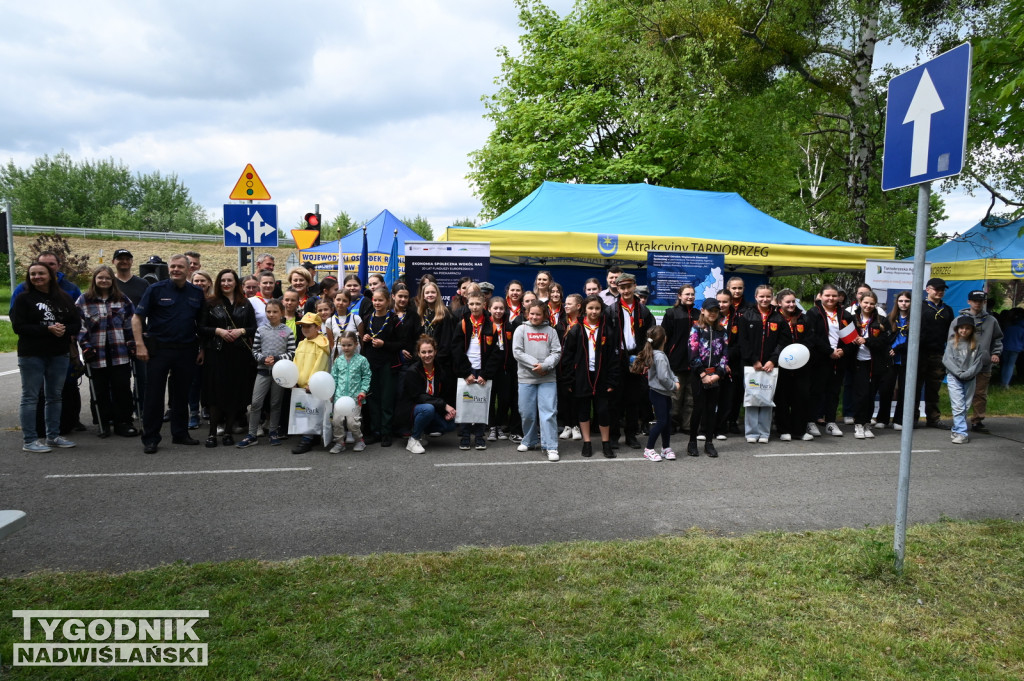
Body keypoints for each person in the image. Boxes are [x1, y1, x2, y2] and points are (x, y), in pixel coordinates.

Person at [132, 254, 206, 454]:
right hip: (159, 350)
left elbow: (202, 325)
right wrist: (140, 344)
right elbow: (137, 318)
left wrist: (202, 349)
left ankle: (180, 434)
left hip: (186, 350)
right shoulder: (155, 289)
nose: (175, 270)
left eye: (180, 267)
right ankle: (151, 438)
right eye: (173, 266)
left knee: (181, 395)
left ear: (189, 269)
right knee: (154, 395)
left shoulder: (196, 293)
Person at [11, 261, 81, 452]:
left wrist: (63, 329)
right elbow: (19, 326)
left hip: (58, 354)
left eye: (41, 273)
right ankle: (30, 440)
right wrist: (47, 329)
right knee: (30, 397)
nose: (37, 277)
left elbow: (76, 323)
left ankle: (53, 436)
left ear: (50, 275)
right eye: (33, 274)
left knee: (55, 396)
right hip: (32, 354)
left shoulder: (64, 298)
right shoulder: (23, 299)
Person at [76, 265, 138, 438]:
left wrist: (132, 343)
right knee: (100, 390)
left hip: (120, 352)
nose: (104, 281)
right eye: (100, 278)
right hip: (97, 353)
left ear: (113, 281)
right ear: (94, 280)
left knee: (122, 388)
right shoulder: (83, 300)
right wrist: (85, 345)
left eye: (107, 278)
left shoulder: (123, 300)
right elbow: (79, 327)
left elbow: (130, 323)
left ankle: (123, 422)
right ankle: (103, 422)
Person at [198, 269, 257, 447]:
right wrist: (218, 331)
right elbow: (200, 327)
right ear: (218, 282)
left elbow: (254, 327)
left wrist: (242, 331)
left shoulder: (245, 303)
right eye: (223, 280)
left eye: (229, 280)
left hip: (239, 354)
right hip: (217, 353)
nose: (226, 284)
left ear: (235, 283)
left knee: (234, 394)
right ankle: (212, 433)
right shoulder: (209, 302)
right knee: (215, 394)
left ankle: (228, 432)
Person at [561, 295, 619, 458]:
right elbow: (567, 357)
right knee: (583, 410)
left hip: (602, 376)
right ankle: (587, 443)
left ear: (601, 310)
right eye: (591, 308)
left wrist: (612, 380)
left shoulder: (608, 329)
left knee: (603, 410)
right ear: (584, 309)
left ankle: (606, 443)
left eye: (597, 308)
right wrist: (569, 379)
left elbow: (614, 358)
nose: (594, 311)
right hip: (582, 376)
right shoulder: (576, 329)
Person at [237, 298, 294, 448]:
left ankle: (273, 432)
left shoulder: (288, 331)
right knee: (256, 403)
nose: (271, 314)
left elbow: (292, 353)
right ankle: (252, 434)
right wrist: (263, 359)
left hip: (280, 373)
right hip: (263, 371)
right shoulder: (260, 330)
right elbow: (255, 351)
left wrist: (276, 359)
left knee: (275, 403)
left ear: (281, 313)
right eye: (268, 311)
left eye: (275, 312)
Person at [608, 272, 655, 449]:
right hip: (617, 358)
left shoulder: (643, 310)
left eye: (629, 287)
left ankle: (631, 435)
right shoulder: (610, 310)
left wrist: (644, 357)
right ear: (617, 288)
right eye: (622, 287)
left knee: (633, 400)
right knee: (615, 400)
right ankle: (613, 436)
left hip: (636, 358)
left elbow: (650, 336)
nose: (626, 290)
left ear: (634, 286)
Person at [451, 291, 501, 450]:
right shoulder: (463, 324)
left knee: (481, 403)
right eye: (471, 304)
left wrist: (486, 374)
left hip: (483, 370)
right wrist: (466, 372)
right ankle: (465, 436)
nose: (474, 307)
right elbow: (456, 350)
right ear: (467, 305)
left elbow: (495, 353)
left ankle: (480, 436)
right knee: (466, 403)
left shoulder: (491, 326)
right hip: (468, 369)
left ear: (484, 305)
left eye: (478, 304)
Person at [513, 301, 562, 461]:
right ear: (527, 314)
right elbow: (517, 352)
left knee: (548, 412)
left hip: (547, 378)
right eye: (532, 313)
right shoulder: (521, 329)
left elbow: (556, 352)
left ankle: (551, 446)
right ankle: (529, 440)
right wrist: (537, 365)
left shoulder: (551, 331)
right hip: (526, 378)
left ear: (544, 315)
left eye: (538, 314)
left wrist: (546, 366)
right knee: (527, 412)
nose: (534, 317)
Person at [805, 284, 855, 437]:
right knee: (816, 391)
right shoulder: (813, 313)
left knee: (833, 392)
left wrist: (843, 351)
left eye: (834, 295)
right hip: (819, 359)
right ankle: (811, 422)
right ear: (820, 296)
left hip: (839, 359)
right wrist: (829, 351)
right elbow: (811, 337)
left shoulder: (845, 315)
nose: (831, 298)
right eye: (827, 295)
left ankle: (831, 422)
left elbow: (851, 339)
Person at [952, 290, 1003, 433]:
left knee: (980, 393)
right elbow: (952, 340)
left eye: (981, 301)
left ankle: (977, 420)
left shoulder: (992, 321)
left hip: (983, 363)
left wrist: (995, 353)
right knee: (961, 395)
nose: (978, 303)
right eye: (975, 300)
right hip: (964, 364)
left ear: (984, 302)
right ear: (969, 302)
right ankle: (959, 421)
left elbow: (997, 339)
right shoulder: (959, 320)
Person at [399, 335, 458, 454]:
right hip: (411, 409)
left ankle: (422, 433)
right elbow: (418, 397)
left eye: (430, 351)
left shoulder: (440, 370)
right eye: (423, 352)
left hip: (431, 406)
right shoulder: (412, 371)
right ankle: (413, 439)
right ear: (419, 354)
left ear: (435, 352)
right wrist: (444, 405)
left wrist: (445, 411)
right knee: (428, 409)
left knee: (450, 424)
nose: (427, 355)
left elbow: (442, 394)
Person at [360, 287, 400, 446]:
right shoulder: (368, 318)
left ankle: (386, 432)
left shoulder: (394, 319)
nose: (377, 303)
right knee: (373, 398)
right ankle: (375, 431)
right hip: (371, 363)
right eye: (375, 300)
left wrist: (385, 344)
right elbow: (363, 342)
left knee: (387, 398)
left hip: (387, 364)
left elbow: (401, 343)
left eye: (380, 300)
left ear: (388, 301)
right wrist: (365, 337)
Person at [740, 285, 780, 444]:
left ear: (772, 298)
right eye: (761, 296)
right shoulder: (746, 316)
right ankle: (751, 431)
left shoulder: (778, 318)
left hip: (770, 366)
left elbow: (782, 342)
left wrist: (773, 360)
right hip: (751, 366)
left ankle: (764, 432)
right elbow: (743, 341)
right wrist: (753, 359)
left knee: (766, 398)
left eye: (768, 297)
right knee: (752, 398)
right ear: (755, 297)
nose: (765, 299)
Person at [688, 298, 728, 457]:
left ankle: (709, 442)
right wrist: (703, 374)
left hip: (715, 376)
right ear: (703, 311)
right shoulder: (696, 329)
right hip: (699, 375)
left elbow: (725, 354)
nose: (713, 313)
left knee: (712, 410)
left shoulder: (722, 330)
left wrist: (718, 374)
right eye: (710, 310)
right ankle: (692, 442)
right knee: (698, 409)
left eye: (716, 311)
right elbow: (693, 353)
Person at [773, 289, 815, 441]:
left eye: (793, 301)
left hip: (801, 365)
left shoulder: (804, 318)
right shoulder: (775, 319)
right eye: (787, 302)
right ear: (779, 303)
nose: (791, 304)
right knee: (782, 398)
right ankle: (783, 429)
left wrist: (803, 353)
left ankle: (799, 430)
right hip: (781, 365)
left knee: (801, 398)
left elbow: (810, 339)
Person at [849, 292, 892, 439]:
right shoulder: (852, 318)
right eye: (865, 302)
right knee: (862, 394)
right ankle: (859, 424)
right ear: (859, 302)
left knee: (871, 394)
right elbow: (843, 337)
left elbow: (884, 342)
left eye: (872, 303)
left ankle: (867, 422)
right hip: (857, 362)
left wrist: (866, 341)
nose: (868, 306)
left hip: (874, 363)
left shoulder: (882, 321)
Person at [633, 326, 679, 462]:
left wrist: (675, 380)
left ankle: (666, 448)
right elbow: (663, 377)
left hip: (664, 393)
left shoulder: (659, 355)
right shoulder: (659, 357)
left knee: (667, 421)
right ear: (665, 339)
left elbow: (669, 372)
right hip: (658, 393)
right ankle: (649, 449)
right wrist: (673, 386)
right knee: (662, 421)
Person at [290, 312, 332, 454]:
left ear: (318, 327)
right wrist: (293, 380)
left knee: (311, 412)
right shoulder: (302, 343)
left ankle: (307, 439)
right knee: (303, 413)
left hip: (311, 386)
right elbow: (295, 362)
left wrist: (311, 383)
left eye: (309, 326)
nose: (305, 329)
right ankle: (310, 436)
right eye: (303, 326)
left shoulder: (321, 344)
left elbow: (320, 365)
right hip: (300, 386)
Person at [917, 277, 955, 428]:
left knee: (934, 388)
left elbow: (951, 334)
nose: (940, 292)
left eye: (942, 289)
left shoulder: (947, 310)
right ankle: (911, 418)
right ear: (928, 290)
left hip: (938, 353)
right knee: (915, 386)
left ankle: (933, 418)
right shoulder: (919, 307)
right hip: (919, 354)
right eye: (936, 289)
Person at [662, 285, 698, 435]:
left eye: (692, 294)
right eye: (687, 294)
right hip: (676, 361)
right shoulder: (671, 313)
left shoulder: (699, 314)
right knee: (675, 397)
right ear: (679, 296)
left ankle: (687, 425)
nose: (690, 297)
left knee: (691, 397)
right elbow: (664, 338)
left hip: (695, 363)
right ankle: (672, 423)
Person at [943, 316, 984, 444]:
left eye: (967, 328)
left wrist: (968, 373)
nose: (964, 330)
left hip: (970, 377)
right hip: (954, 377)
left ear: (972, 330)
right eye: (961, 328)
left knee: (965, 405)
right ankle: (962, 433)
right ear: (957, 329)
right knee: (958, 406)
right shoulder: (951, 343)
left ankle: (956, 429)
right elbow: (947, 360)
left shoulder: (977, 345)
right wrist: (959, 373)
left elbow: (978, 363)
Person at [329, 331, 371, 453]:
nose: (346, 348)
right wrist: (332, 392)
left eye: (349, 345)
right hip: (339, 397)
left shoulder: (362, 360)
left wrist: (363, 391)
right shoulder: (338, 360)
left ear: (356, 344)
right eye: (343, 345)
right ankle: (339, 442)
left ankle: (359, 440)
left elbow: (366, 377)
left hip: (355, 398)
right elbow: (334, 377)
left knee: (353, 423)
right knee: (337, 421)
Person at [878, 291, 911, 429]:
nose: (904, 303)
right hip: (890, 360)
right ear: (897, 303)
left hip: (906, 359)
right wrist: (889, 349)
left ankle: (899, 420)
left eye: (907, 301)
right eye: (901, 301)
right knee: (886, 389)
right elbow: (883, 338)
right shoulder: (890, 318)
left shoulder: (915, 319)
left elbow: (916, 340)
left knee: (904, 391)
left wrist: (898, 349)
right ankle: (883, 419)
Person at [487, 296, 514, 441]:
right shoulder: (485, 326)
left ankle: (499, 425)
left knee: (504, 399)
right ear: (489, 309)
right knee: (490, 399)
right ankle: (491, 426)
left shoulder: (509, 326)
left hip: (505, 368)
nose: (498, 311)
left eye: (501, 308)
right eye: (495, 308)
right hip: (490, 369)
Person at [326, 290, 362, 361]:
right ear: (334, 300)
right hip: (338, 353)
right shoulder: (329, 321)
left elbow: (361, 339)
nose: (341, 303)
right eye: (338, 300)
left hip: (354, 353)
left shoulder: (356, 319)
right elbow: (331, 342)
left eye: (345, 301)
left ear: (349, 303)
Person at [1000, 308, 1024, 387]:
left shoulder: (1009, 328)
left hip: (1005, 347)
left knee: (1005, 365)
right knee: (1010, 365)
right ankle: (1006, 383)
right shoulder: (1021, 330)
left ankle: (1003, 381)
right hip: (1016, 349)